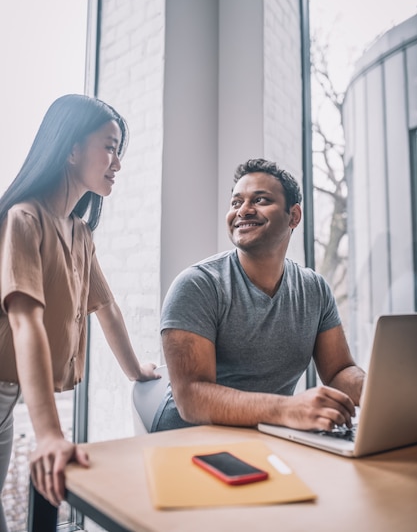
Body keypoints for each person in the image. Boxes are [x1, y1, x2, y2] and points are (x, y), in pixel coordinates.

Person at [0, 94, 159, 530]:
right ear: (71, 149)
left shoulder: (80, 233)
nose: (117, 162)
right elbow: (24, 321)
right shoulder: (24, 219)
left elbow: (104, 306)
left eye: (118, 150)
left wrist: (135, 370)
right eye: (109, 146)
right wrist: (51, 434)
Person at [152, 158, 365, 433]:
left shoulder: (315, 290)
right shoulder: (197, 285)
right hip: (187, 440)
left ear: (294, 216)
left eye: (261, 200)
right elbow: (191, 398)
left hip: (269, 437)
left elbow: (338, 371)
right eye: (235, 202)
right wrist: (288, 409)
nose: (243, 210)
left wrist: (381, 393)